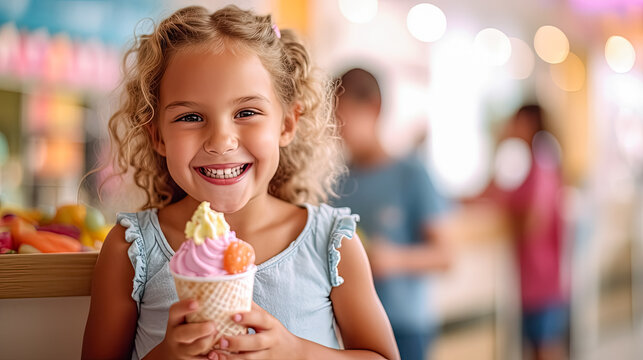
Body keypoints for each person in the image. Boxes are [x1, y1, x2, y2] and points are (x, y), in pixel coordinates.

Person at [82, 6, 399, 360]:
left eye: (246, 113)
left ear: (287, 124)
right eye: (190, 117)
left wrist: (296, 352)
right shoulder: (131, 250)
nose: (221, 140)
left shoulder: (332, 244)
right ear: (157, 136)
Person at [333, 68, 450, 360]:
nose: (337, 127)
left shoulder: (411, 174)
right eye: (332, 118)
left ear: (374, 108)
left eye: (343, 116)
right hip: (348, 327)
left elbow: (446, 255)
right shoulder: (336, 182)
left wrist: (393, 259)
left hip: (405, 325)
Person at [490, 105, 569, 360]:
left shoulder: (542, 161)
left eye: (516, 122)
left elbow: (535, 218)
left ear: (529, 122)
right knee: (536, 347)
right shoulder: (535, 164)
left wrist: (511, 219)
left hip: (543, 277)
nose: (511, 127)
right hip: (533, 280)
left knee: (544, 348)